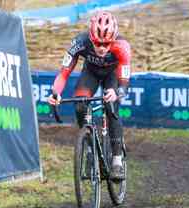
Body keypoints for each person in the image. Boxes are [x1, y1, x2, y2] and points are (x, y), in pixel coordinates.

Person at [48, 11, 131, 180]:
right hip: (90, 73)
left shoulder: (122, 46)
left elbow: (124, 81)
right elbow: (63, 73)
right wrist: (55, 93)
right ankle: (89, 148)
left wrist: (117, 93)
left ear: (113, 39)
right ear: (91, 38)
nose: (101, 48)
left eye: (106, 43)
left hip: (113, 75)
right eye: (97, 43)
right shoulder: (79, 42)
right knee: (80, 104)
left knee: (111, 107)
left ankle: (116, 161)